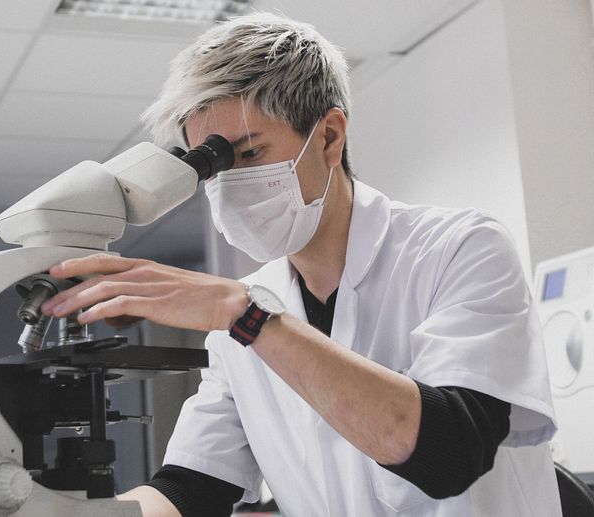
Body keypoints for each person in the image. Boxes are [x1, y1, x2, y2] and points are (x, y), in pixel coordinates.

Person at [40, 12, 560, 517]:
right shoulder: (242, 315)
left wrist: (249, 317)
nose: (228, 183)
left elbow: (451, 452)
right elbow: (193, 488)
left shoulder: (459, 247)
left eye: (248, 153)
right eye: (212, 166)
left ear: (330, 137)